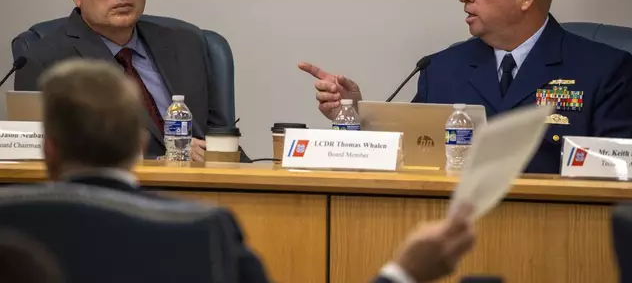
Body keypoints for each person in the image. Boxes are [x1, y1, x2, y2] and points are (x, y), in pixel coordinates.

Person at [39, 58, 474, 282]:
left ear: (49, 150)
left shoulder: (11, 227)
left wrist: (355, 116)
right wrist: (403, 273)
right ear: (139, 145)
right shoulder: (202, 231)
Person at [300, 0, 632, 174]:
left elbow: (622, 173)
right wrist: (357, 114)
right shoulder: (442, 67)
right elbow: (413, 153)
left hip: (560, 236)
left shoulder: (603, 68)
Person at [14, 0, 233, 162]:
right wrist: (165, 161)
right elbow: (42, 162)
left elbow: (224, 142)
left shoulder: (187, 43)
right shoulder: (44, 61)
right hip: (110, 195)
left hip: (202, 189)